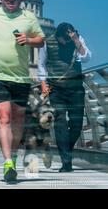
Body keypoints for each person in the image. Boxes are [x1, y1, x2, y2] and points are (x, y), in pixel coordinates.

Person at [0, 0, 45, 183]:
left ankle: (14, 157)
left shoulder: (29, 18)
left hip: (21, 76)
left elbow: (41, 40)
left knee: (17, 121)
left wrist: (29, 40)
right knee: (4, 118)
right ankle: (7, 162)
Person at [38, 22, 91, 172]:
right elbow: (41, 64)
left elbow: (86, 57)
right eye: (64, 40)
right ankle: (66, 162)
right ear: (58, 36)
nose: (65, 43)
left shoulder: (77, 40)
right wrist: (43, 85)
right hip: (57, 90)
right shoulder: (47, 42)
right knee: (60, 124)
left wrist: (76, 41)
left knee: (76, 124)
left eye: (69, 39)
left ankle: (65, 150)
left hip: (76, 89)